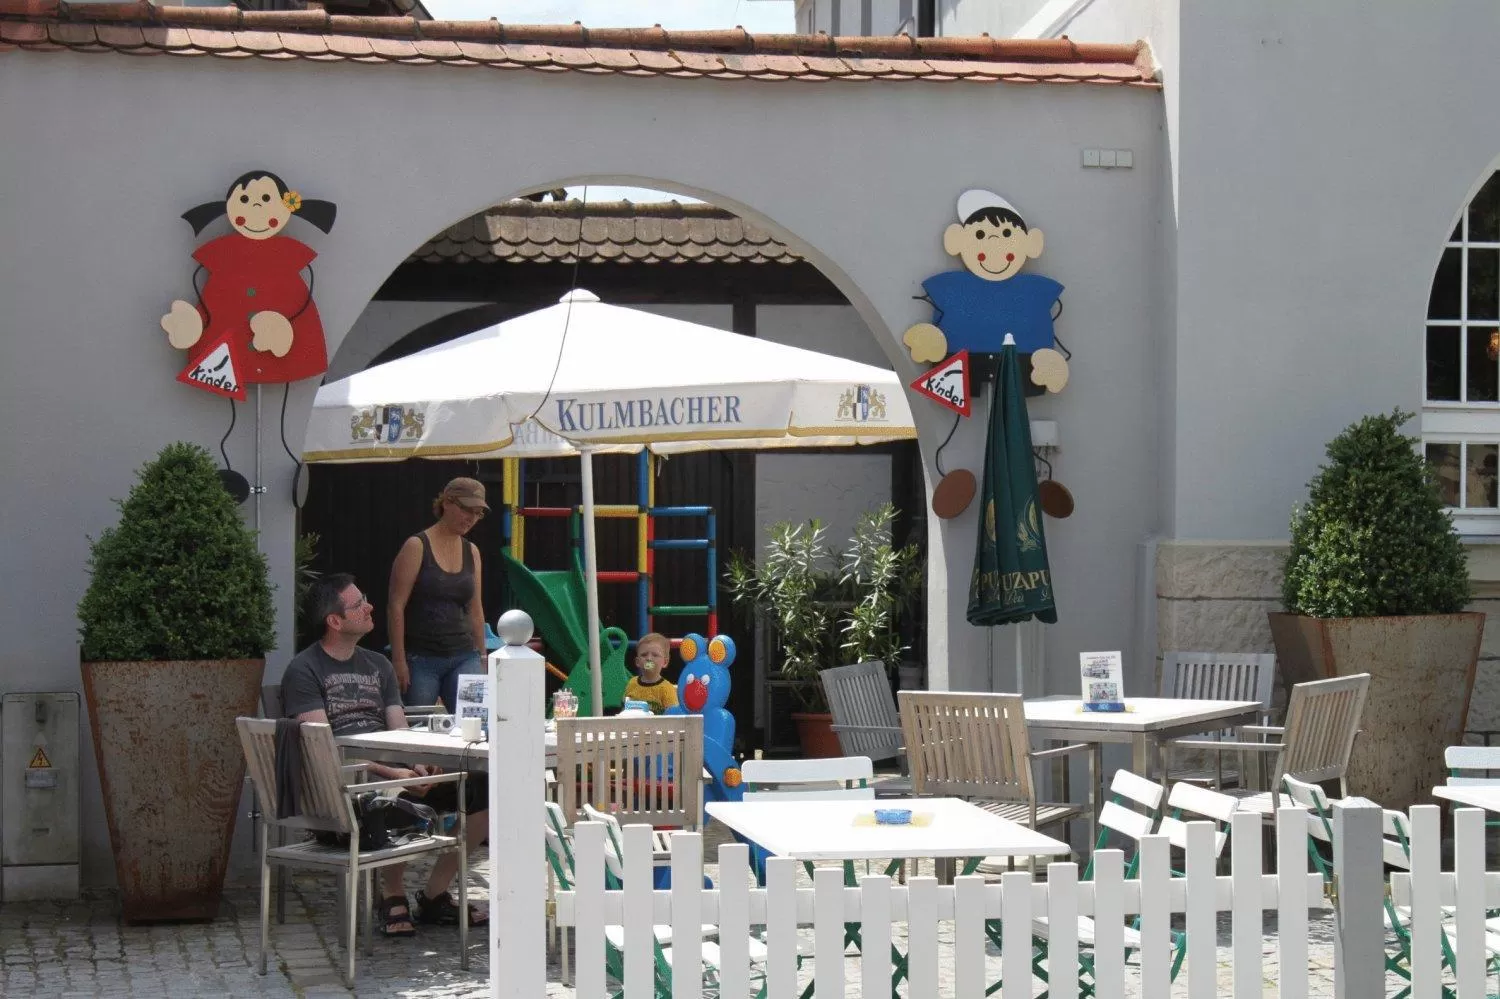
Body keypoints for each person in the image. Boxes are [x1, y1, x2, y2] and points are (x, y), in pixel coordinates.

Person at [282, 573, 489, 937]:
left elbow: (399, 732)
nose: (369, 606)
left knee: (485, 789)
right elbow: (322, 749)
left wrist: (418, 763)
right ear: (334, 621)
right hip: (343, 786)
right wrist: (392, 774)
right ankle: (391, 894)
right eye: (359, 603)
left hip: (392, 774)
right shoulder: (304, 669)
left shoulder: (379, 666)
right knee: (397, 792)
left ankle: (435, 894)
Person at [388, 477, 489, 711]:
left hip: (464, 654)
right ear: (447, 503)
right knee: (417, 729)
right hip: (421, 657)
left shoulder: (471, 551)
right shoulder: (416, 546)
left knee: (476, 724)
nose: (471, 518)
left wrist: (482, 657)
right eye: (466, 509)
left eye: (477, 513)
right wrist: (399, 660)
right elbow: (395, 605)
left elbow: (476, 609)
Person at [623, 632, 679, 714]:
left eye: (655, 655)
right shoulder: (632, 684)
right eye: (644, 655)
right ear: (637, 662)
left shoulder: (667, 689)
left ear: (665, 662)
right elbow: (624, 709)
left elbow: (673, 717)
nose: (649, 658)